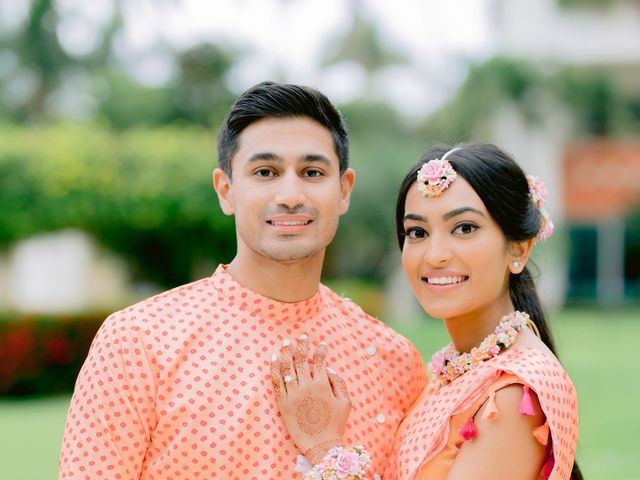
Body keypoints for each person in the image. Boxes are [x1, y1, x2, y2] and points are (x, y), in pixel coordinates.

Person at [58, 81, 427, 480]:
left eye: (312, 171)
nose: (290, 194)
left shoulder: (393, 361)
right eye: (265, 171)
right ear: (226, 190)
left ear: (343, 190)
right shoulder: (139, 342)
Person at [271, 143, 580, 480]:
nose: (434, 255)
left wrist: (324, 446)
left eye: (464, 228)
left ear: (518, 248)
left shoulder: (512, 395)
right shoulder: (465, 369)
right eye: (417, 232)